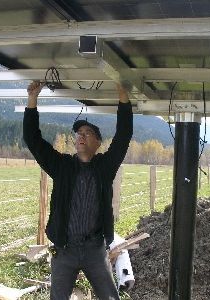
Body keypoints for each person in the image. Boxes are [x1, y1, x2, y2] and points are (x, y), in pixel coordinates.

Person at [23, 80, 133, 300]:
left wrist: (123, 96)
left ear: (98, 142)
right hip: (65, 249)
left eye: (88, 133)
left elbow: (123, 137)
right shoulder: (61, 166)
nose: (81, 136)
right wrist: (32, 100)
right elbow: (33, 140)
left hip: (94, 249)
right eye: (78, 133)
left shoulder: (105, 166)